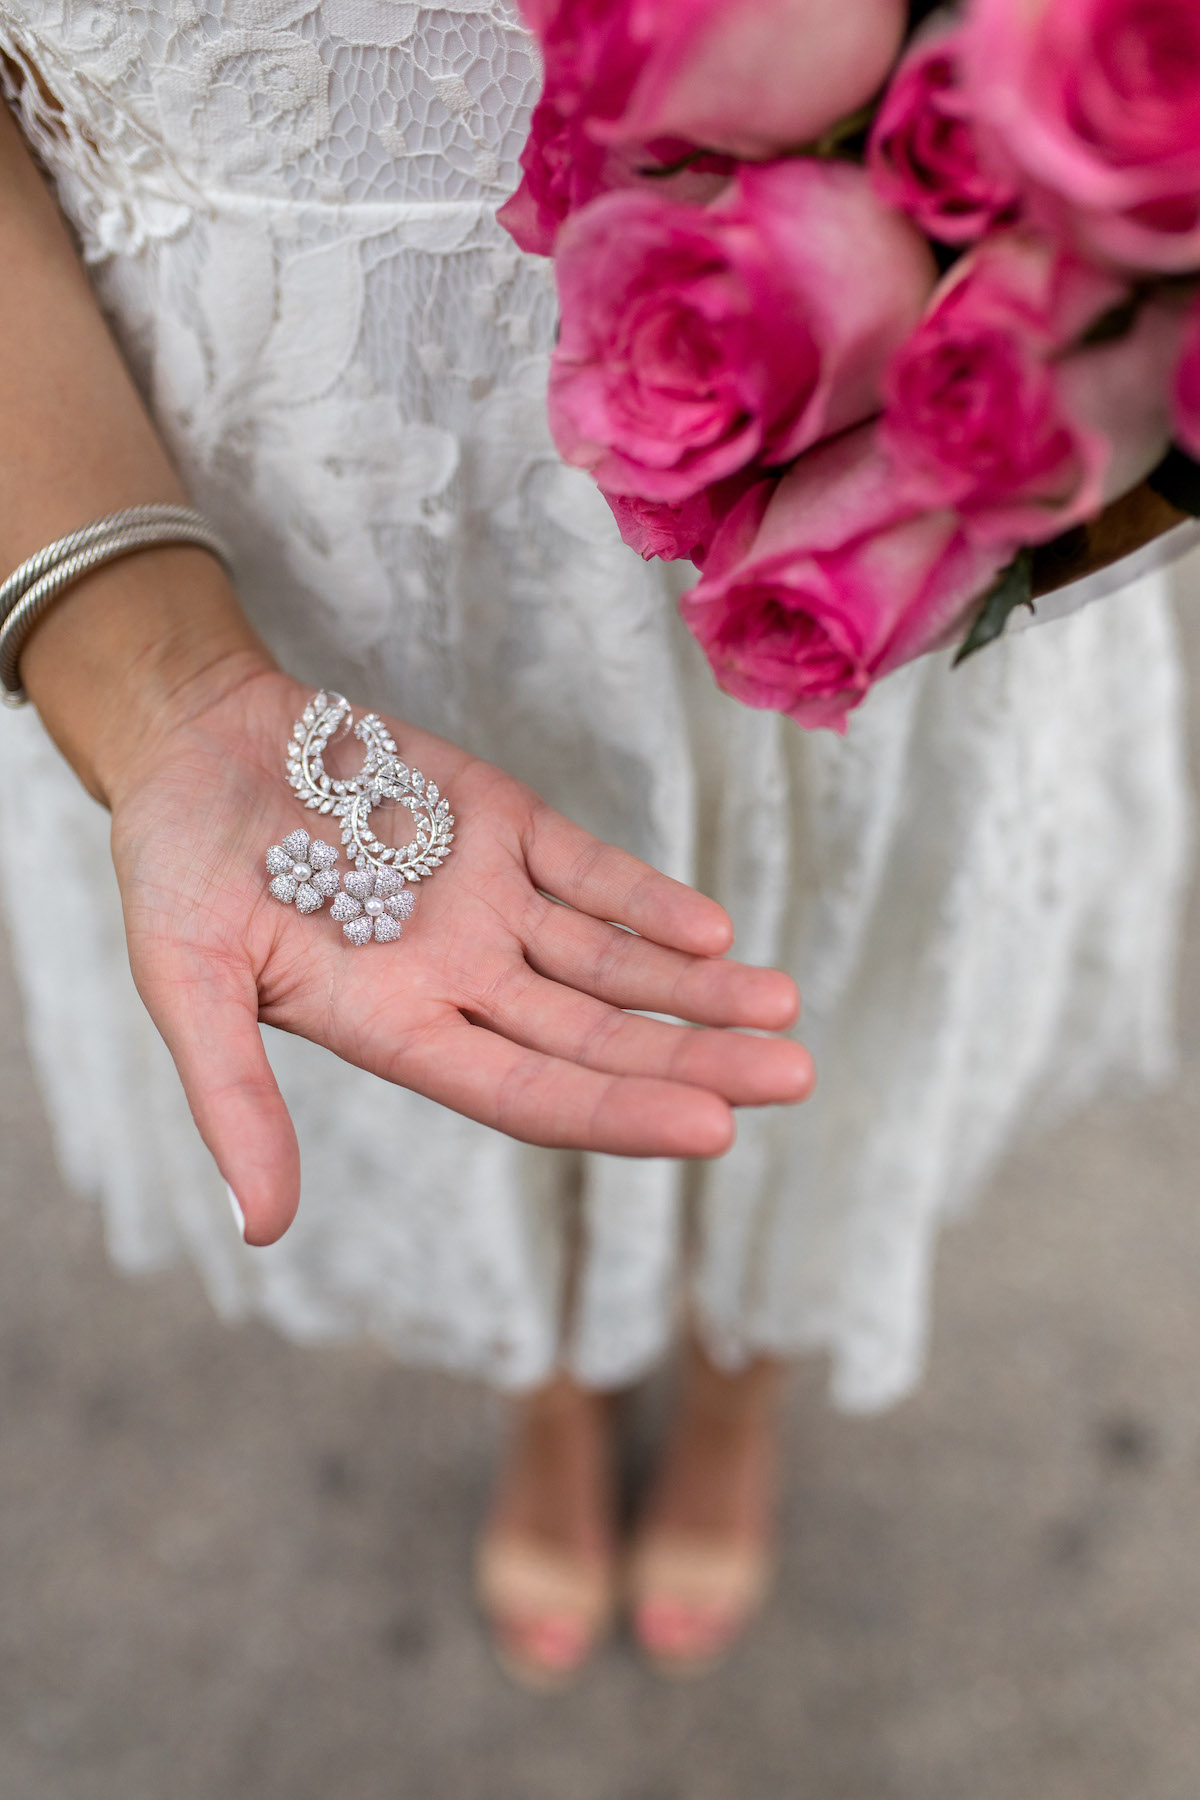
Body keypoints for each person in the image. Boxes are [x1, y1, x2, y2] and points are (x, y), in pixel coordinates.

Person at [0, 2, 1189, 1686]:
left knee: (803, 993)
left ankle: (737, 1363)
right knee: (463, 1037)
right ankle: (547, 1378)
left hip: (877, 437)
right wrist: (159, 673)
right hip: (245, 488)